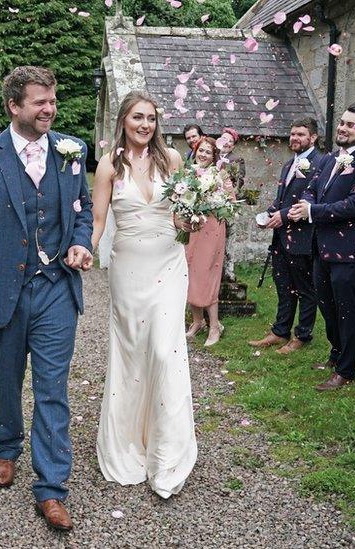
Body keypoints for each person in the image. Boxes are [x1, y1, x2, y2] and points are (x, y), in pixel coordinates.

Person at [0, 66, 93, 531]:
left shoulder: (73, 150)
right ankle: (6, 444)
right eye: (40, 102)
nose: (50, 109)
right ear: (15, 106)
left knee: (53, 389)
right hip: (3, 291)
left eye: (52, 100)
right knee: (6, 376)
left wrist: (81, 242)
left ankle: (51, 489)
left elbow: (83, 208)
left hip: (56, 289)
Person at [91, 90, 198, 499]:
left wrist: (194, 218)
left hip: (169, 264)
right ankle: (127, 444)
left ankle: (167, 452)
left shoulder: (171, 160)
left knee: (163, 349)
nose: (145, 125)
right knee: (133, 351)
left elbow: (181, 219)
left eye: (151, 118)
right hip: (129, 268)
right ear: (123, 120)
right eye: (138, 117)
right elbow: (99, 222)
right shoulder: (108, 166)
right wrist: (85, 248)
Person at [288, 101, 355, 391]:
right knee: (327, 306)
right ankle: (336, 353)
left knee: (346, 310)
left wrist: (312, 212)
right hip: (322, 247)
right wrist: (306, 201)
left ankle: (347, 370)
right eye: (341, 122)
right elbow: (312, 186)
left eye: (350, 124)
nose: (342, 128)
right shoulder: (332, 158)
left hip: (351, 251)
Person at [249, 118, 324, 354]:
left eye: (300, 134)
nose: (295, 138)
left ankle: (302, 335)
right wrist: (269, 215)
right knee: (283, 285)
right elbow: (283, 199)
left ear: (313, 137)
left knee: (305, 288)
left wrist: (283, 214)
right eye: (292, 134)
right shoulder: (288, 164)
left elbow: (311, 200)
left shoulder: (320, 163)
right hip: (281, 237)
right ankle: (280, 331)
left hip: (303, 237)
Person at [184, 136, 231, 347]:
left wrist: (217, 198)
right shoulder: (187, 173)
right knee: (189, 271)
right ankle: (197, 321)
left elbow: (230, 201)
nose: (203, 154)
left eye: (208, 152)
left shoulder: (220, 174)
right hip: (192, 228)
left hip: (212, 228)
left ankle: (214, 326)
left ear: (214, 156)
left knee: (207, 273)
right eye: (200, 150)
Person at [216, 127, 246, 194]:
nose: (226, 142)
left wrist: (232, 193)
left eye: (230, 141)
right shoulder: (213, 156)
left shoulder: (237, 160)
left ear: (233, 146)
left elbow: (240, 180)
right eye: (224, 139)